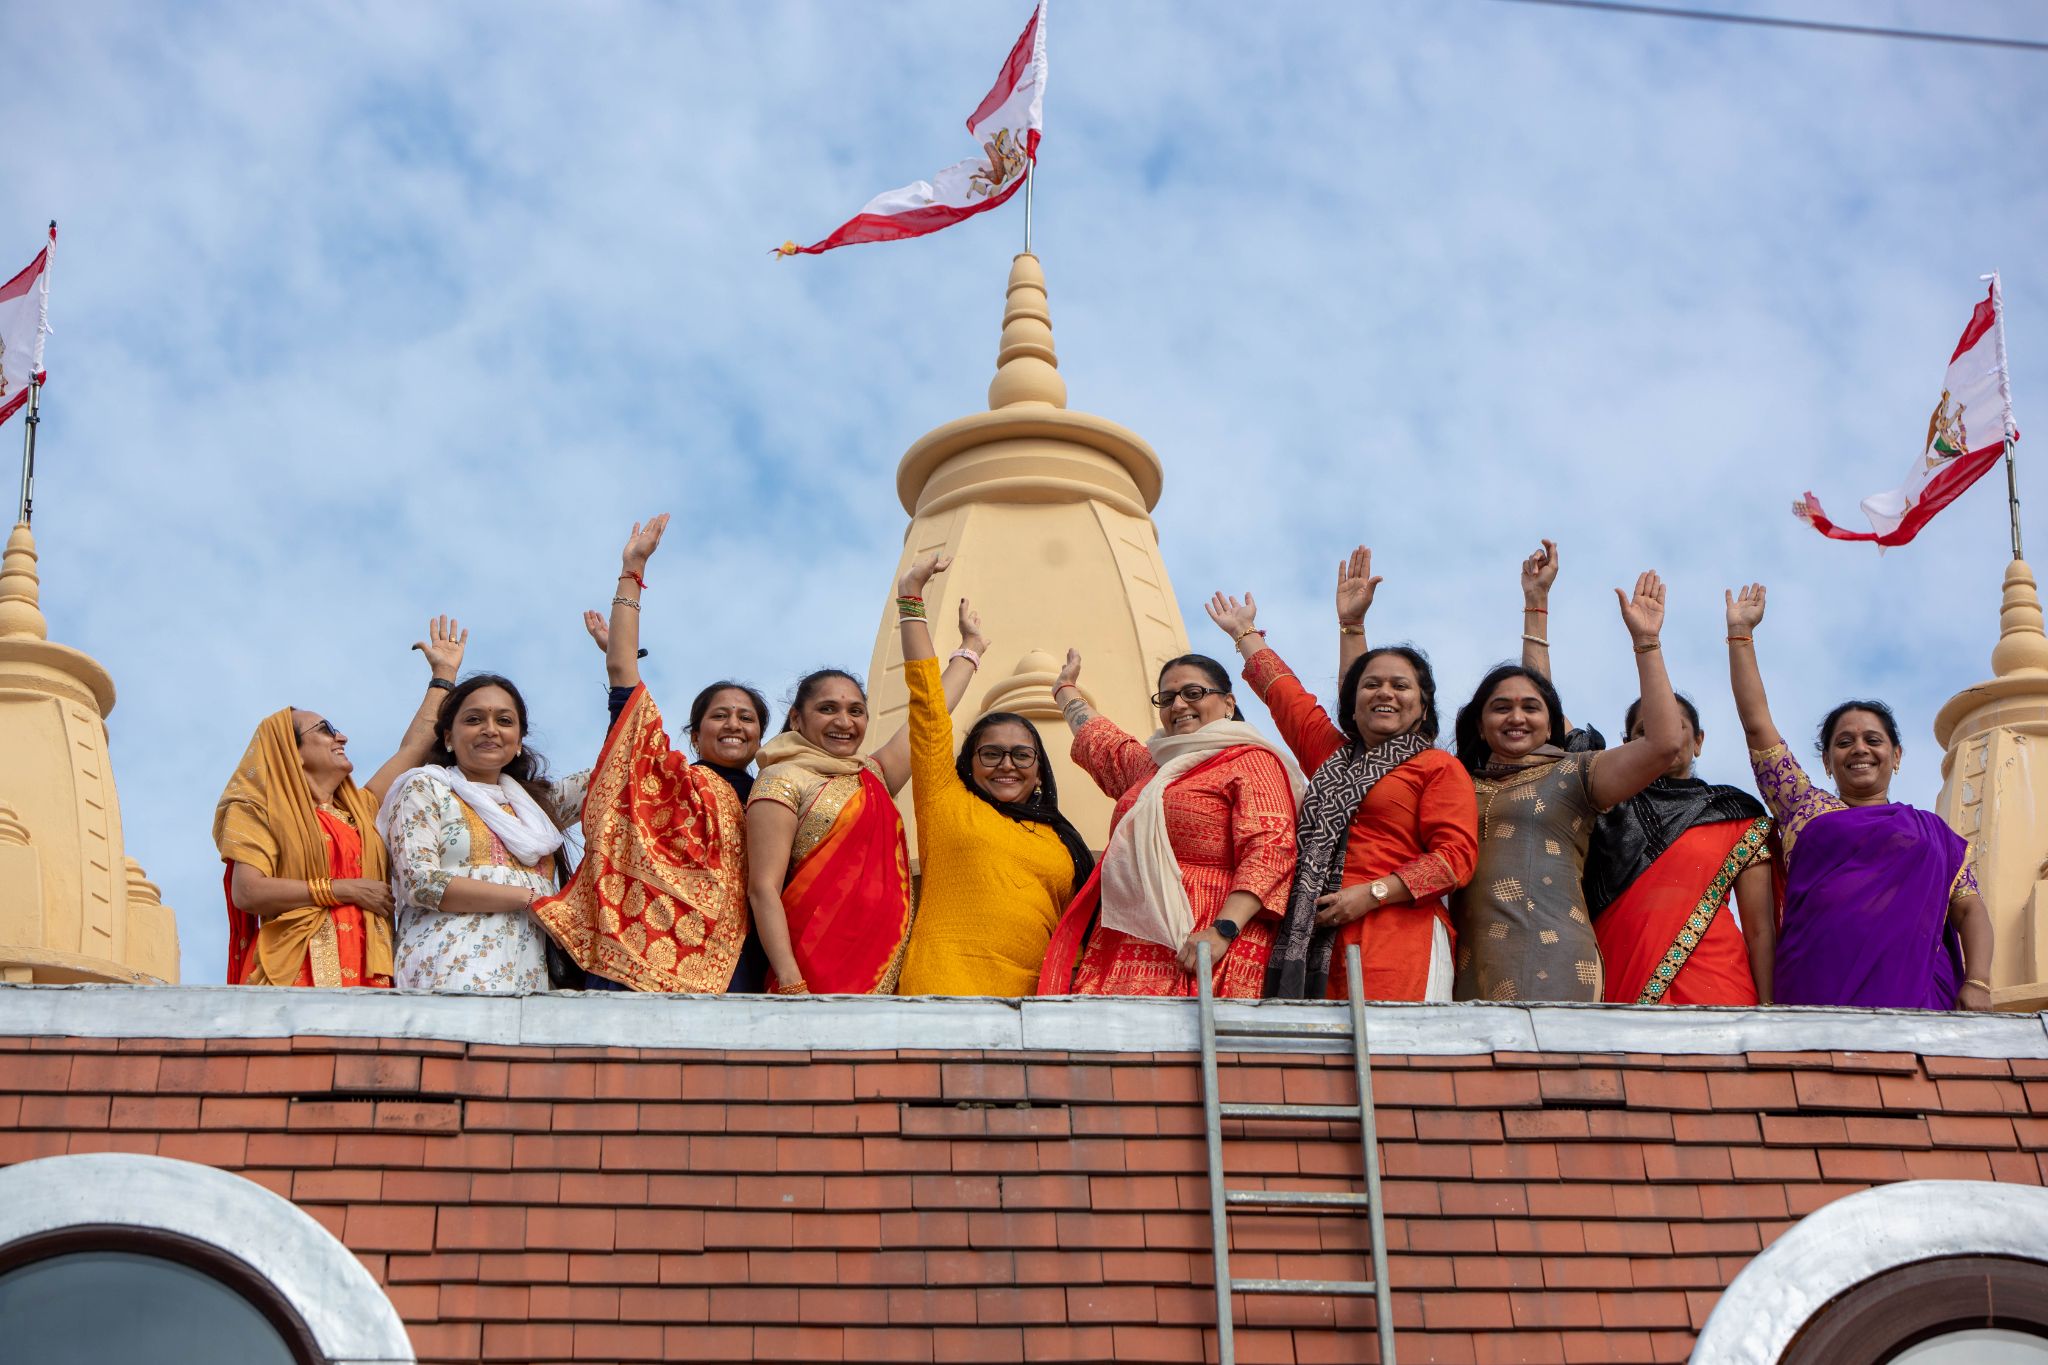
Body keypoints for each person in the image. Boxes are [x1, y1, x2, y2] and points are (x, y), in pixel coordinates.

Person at [1208, 557, 1477, 1002]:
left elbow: (1455, 859)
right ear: (1353, 703)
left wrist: (1373, 893)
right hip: (1312, 940)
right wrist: (1244, 633)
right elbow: (1285, 696)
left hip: (1396, 938)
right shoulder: (1332, 756)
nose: (1385, 693)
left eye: (1401, 686)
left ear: (1423, 707)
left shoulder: (1437, 767)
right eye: (1371, 685)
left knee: (1391, 1045)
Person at [1725, 582, 1993, 1011]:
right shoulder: (1803, 807)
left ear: (1896, 756)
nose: (1860, 749)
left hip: (1919, 1002)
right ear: (1827, 761)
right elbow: (1756, 725)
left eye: (1873, 740)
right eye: (1844, 742)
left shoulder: (1932, 834)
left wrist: (1978, 982)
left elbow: (1969, 909)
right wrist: (1740, 636)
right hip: (1815, 995)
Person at [534, 515, 764, 992]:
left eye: (746, 718)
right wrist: (632, 571)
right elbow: (623, 674)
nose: (734, 725)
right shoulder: (666, 777)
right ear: (695, 735)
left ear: (761, 737)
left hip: (740, 962)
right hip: (643, 952)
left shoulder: (776, 795)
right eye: (720, 715)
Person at [1440, 558, 1685, 1002]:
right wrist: (1535, 603)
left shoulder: (1574, 773)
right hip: (1465, 972)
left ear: (1551, 723)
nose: (1516, 717)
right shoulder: (1454, 782)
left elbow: (1663, 744)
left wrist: (1646, 642)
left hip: (1556, 963)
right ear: (1479, 724)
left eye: (1531, 708)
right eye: (1501, 708)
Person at [745, 553, 983, 995]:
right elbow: (763, 889)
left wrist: (968, 650)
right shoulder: (782, 779)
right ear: (796, 719)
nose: (845, 722)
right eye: (828, 709)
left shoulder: (871, 775)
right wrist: (792, 982)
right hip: (805, 972)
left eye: (856, 711)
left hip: (882, 970)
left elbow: (930, 714)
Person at [213, 618, 469, 987]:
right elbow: (248, 891)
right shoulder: (259, 810)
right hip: (293, 972)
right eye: (326, 730)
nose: (342, 737)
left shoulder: (360, 811)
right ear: (290, 752)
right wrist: (343, 890)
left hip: (369, 970)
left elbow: (414, 747)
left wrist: (443, 676)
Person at [1036, 650, 1302, 998]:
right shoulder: (1154, 767)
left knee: (1200, 1032)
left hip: (1210, 940)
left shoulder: (1251, 760)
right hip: (1130, 939)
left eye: (1193, 693)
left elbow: (1270, 848)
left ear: (1228, 703)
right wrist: (1065, 690)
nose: (1178, 705)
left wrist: (1223, 929)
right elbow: (1101, 742)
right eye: (1167, 698)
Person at [895, 556, 1094, 996]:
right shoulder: (946, 799)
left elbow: (1076, 933)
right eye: (991, 754)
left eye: (1021, 755)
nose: (1007, 764)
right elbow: (928, 707)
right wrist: (912, 600)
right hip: (945, 990)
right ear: (969, 764)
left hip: (1037, 1001)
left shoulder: (1061, 839)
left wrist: (1068, 694)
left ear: (1039, 771)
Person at [377, 674, 589, 994]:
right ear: (449, 737)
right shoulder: (424, 787)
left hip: (526, 978)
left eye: (504, 721)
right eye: (474, 719)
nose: (490, 729)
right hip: (446, 970)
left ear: (518, 742)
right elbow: (420, 882)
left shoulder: (536, 808)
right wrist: (528, 899)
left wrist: (619, 665)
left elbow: (620, 764)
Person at [1584, 693, 1775, 1005]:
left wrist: (1770, 1010)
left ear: (1698, 741)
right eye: (1645, 731)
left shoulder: (1733, 812)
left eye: (1675, 726)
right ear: (1627, 745)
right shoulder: (1603, 809)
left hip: (1718, 985)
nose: (1663, 735)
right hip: (1621, 978)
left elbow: (1760, 931)